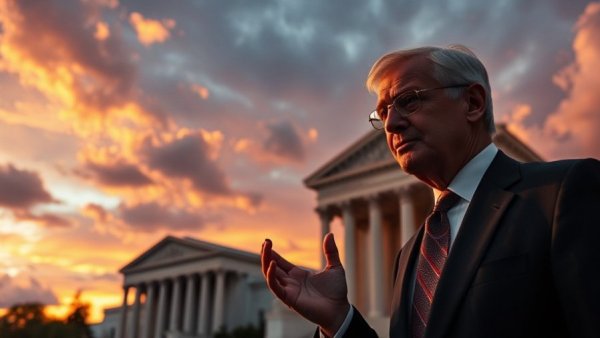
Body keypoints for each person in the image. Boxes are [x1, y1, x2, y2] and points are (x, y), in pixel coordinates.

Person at [260, 45, 600, 338]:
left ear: (472, 102)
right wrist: (338, 320)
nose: (391, 124)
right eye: (382, 113)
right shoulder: (411, 254)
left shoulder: (561, 192)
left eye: (409, 101)